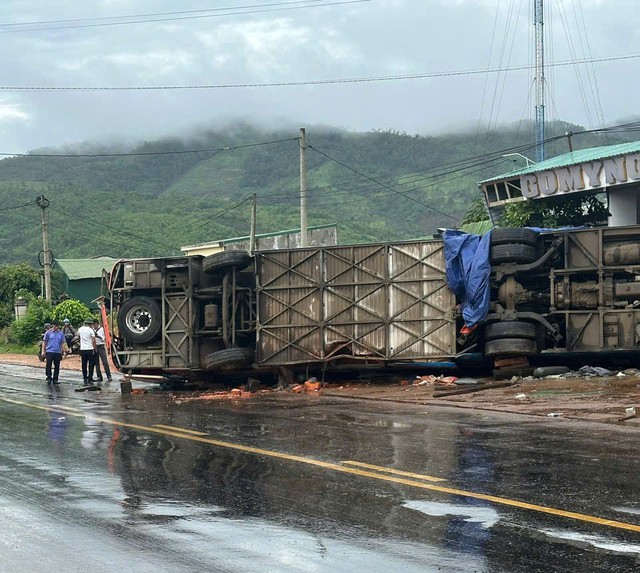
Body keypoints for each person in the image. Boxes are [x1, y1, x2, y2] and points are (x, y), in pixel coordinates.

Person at [77, 318, 98, 385]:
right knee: (91, 364)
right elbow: (93, 341)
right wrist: (95, 349)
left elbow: (78, 337)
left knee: (84, 363)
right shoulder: (91, 330)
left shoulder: (80, 329)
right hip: (90, 349)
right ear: (90, 324)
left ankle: (85, 377)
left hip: (82, 349)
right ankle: (90, 377)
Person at [92, 318, 112, 382]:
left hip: (101, 346)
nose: (94, 326)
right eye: (93, 325)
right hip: (95, 346)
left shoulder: (102, 329)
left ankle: (109, 376)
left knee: (105, 362)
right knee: (96, 362)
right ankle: (99, 376)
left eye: (95, 325)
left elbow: (104, 338)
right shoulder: (92, 330)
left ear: (97, 324)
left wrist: (97, 336)